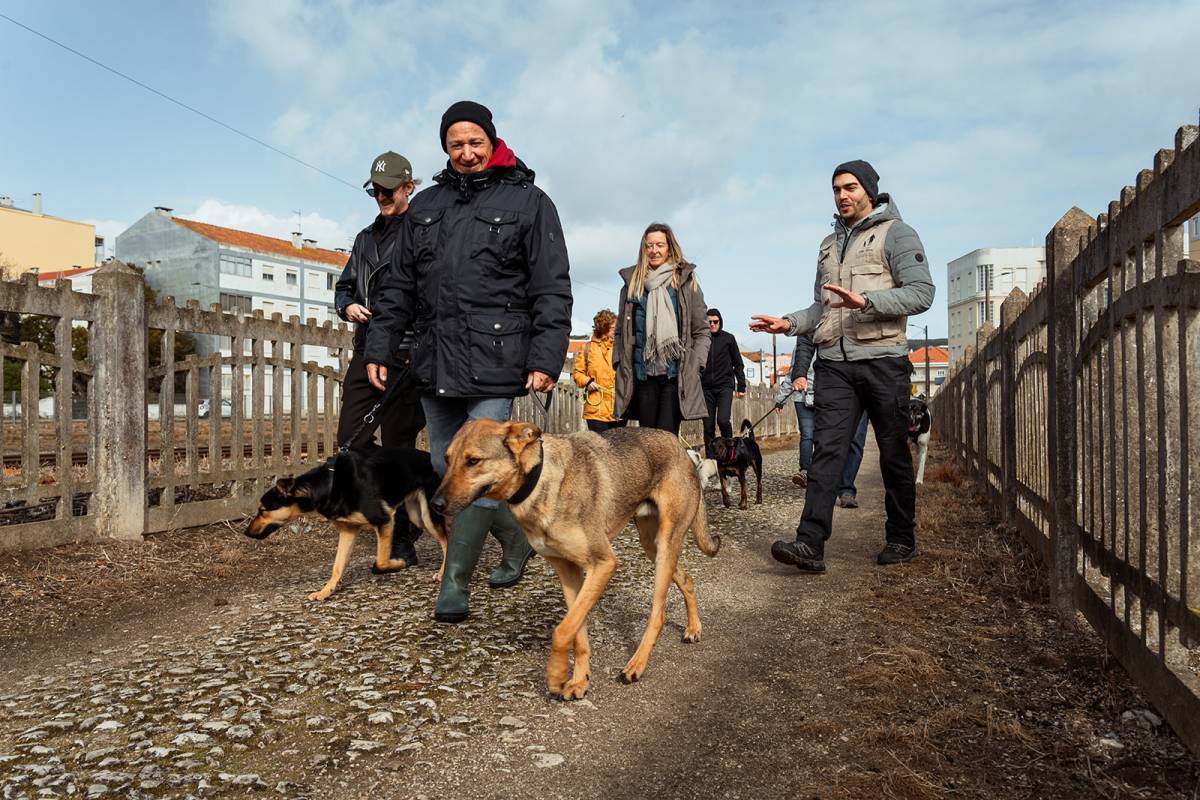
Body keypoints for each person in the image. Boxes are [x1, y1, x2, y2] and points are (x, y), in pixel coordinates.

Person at [364, 101, 572, 622]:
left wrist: (546, 356)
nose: (466, 152)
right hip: (435, 360)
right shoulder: (427, 205)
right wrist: (380, 346)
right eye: (456, 143)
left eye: (475, 141)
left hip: (498, 357)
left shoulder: (529, 202)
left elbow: (551, 287)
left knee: (479, 467)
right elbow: (397, 287)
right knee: (445, 466)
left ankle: (453, 584)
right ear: (445, 148)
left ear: (491, 141)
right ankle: (516, 541)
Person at [751, 159, 934, 572]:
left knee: (892, 453)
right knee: (825, 454)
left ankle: (902, 539)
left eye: (850, 187)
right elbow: (822, 305)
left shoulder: (897, 234)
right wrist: (789, 323)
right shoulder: (828, 244)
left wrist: (868, 302)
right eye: (836, 189)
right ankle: (809, 544)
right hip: (834, 361)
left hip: (884, 359)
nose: (842, 195)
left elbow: (922, 293)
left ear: (869, 189)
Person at [334, 150, 426, 565]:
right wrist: (346, 305)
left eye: (389, 190)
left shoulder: (425, 231)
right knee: (349, 441)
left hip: (406, 353)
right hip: (367, 347)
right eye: (376, 191)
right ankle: (405, 503)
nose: (382, 197)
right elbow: (345, 286)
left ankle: (401, 536)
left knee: (397, 443)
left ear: (409, 186)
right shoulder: (365, 238)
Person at [613, 223, 711, 435]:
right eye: (649, 246)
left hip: (674, 376)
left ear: (669, 248)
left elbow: (702, 330)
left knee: (666, 440)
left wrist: (697, 364)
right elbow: (620, 331)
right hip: (643, 375)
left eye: (660, 245)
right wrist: (618, 362)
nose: (654, 251)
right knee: (646, 441)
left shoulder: (685, 282)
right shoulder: (633, 283)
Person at [701, 308, 746, 457]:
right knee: (708, 426)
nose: (712, 324)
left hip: (724, 387)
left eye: (715, 321)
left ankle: (731, 452)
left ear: (720, 321)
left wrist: (741, 385)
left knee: (723, 420)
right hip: (706, 388)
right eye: (709, 322)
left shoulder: (728, 339)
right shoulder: (701, 339)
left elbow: (738, 363)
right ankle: (711, 459)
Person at [572, 309, 625, 433]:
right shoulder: (587, 348)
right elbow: (577, 373)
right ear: (603, 328)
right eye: (613, 327)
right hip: (596, 410)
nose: (616, 330)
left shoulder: (621, 348)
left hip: (618, 407)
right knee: (599, 449)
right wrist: (587, 382)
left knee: (619, 449)